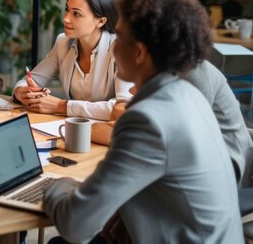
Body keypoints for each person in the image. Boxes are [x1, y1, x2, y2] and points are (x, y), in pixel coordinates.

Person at [42, 0, 243, 244]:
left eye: (120, 37)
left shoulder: (148, 118)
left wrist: (53, 184)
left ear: (139, 52)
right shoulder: (188, 94)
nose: (112, 46)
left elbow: (76, 224)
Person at [92, 59, 253, 187]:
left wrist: (122, 135)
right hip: (193, 159)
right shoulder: (161, 69)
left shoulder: (194, 71)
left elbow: (179, 139)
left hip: (226, 166)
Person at [13, 0, 132, 120]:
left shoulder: (122, 49)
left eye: (76, 14)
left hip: (108, 135)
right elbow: (30, 80)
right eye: (67, 10)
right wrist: (22, 92)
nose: (66, 19)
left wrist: (62, 106)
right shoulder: (63, 43)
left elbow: (123, 109)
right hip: (72, 129)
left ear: (101, 21)